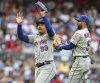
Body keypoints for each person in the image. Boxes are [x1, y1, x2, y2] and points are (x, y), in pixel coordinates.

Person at [16, 10, 57, 83]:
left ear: (46, 26)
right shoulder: (35, 37)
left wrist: (44, 16)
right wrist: (19, 25)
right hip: (38, 68)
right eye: (38, 25)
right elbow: (21, 37)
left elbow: (50, 29)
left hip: (48, 66)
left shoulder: (50, 36)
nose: (39, 26)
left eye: (42, 25)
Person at [54, 15, 91, 83]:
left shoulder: (79, 32)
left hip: (80, 61)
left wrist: (60, 47)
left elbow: (70, 46)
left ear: (84, 22)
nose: (77, 23)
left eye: (79, 21)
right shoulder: (88, 33)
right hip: (87, 61)